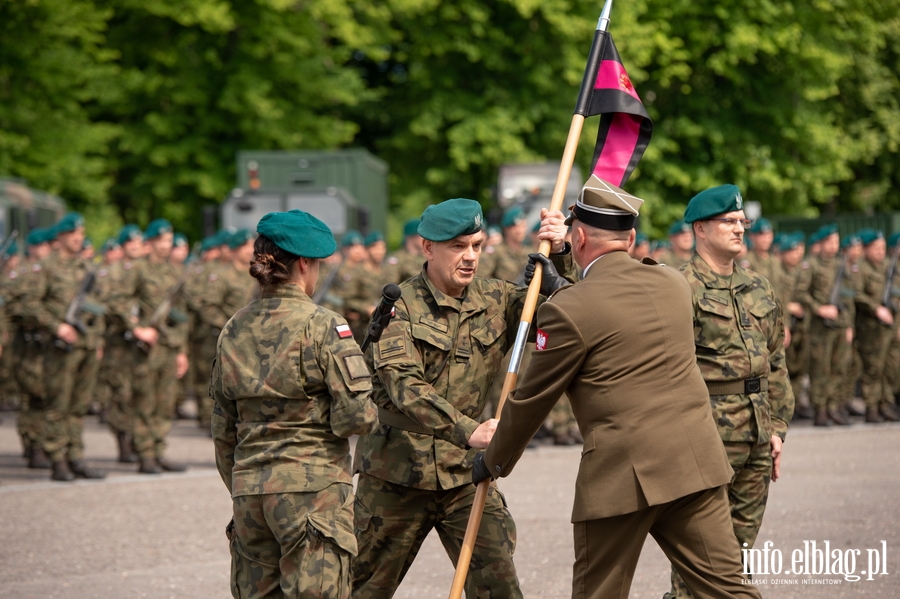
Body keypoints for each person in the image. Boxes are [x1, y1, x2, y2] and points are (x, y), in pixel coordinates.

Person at [476, 175, 758, 599]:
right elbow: (613, 312)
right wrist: (565, 290)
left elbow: (532, 400)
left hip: (623, 478)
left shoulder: (569, 310)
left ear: (580, 235)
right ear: (630, 239)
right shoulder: (673, 283)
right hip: (693, 463)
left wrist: (494, 461)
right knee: (727, 591)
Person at [352, 198, 574, 599]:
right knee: (362, 589)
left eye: (476, 245)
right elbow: (406, 388)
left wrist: (561, 261)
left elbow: (575, 319)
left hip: (464, 477)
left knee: (499, 587)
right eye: (458, 246)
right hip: (397, 475)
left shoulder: (497, 299)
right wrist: (470, 430)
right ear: (427, 247)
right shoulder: (397, 308)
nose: (470, 256)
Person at [211, 210, 378, 598]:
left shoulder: (233, 328)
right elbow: (357, 417)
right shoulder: (323, 325)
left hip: (250, 493)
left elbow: (222, 427)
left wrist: (245, 483)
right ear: (304, 264)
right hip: (313, 494)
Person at [667, 184, 794, 598]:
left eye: (743, 222)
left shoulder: (758, 286)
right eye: (730, 222)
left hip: (756, 435)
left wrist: (776, 427)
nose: (740, 229)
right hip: (706, 438)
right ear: (700, 228)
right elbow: (665, 372)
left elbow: (775, 362)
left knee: (740, 553)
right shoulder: (677, 287)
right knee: (699, 558)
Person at [14, 213, 107, 481]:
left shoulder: (84, 267)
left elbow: (97, 309)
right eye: (74, 234)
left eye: (81, 233)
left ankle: (74, 455)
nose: (79, 238)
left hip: (86, 346)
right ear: (61, 237)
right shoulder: (45, 267)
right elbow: (29, 304)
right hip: (59, 347)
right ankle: (56, 459)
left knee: (78, 405)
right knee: (57, 404)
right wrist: (57, 326)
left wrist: (97, 341)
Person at [108, 218, 189, 473]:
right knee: (144, 400)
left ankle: (157, 449)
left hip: (169, 346)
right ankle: (144, 454)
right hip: (146, 349)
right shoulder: (138, 270)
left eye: (169, 240)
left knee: (164, 403)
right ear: (150, 242)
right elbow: (117, 303)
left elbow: (182, 315)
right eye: (161, 240)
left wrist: (182, 351)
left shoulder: (175, 271)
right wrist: (137, 329)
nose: (166, 245)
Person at [795, 225, 855, 426]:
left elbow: (848, 298)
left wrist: (848, 326)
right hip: (820, 328)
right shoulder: (811, 265)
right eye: (830, 241)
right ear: (820, 244)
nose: (834, 245)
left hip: (840, 325)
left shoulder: (841, 265)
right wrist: (819, 309)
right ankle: (820, 410)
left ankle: (833, 407)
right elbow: (802, 294)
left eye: (836, 241)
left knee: (839, 368)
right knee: (821, 369)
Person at [853, 229, 900, 422]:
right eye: (876, 248)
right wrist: (876, 308)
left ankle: (885, 404)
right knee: (873, 368)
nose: (880, 251)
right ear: (866, 249)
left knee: (891, 367)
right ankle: (872, 407)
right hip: (871, 329)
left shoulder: (889, 267)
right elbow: (857, 294)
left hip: (890, 327)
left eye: (882, 248)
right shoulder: (860, 269)